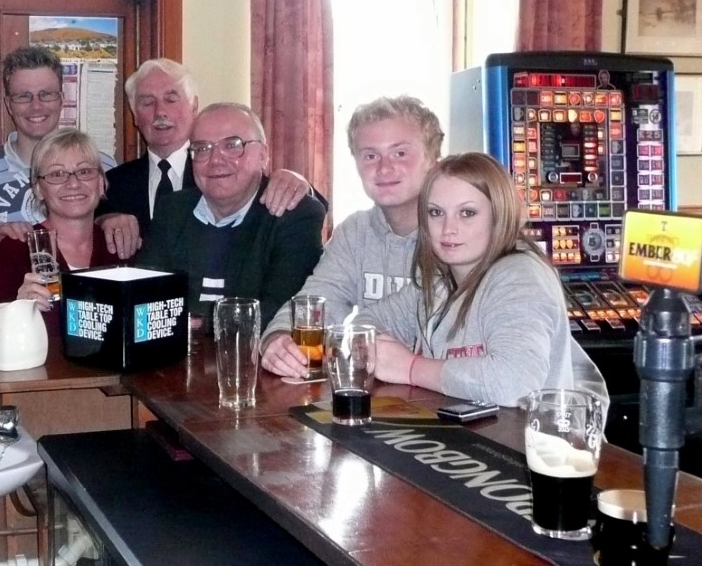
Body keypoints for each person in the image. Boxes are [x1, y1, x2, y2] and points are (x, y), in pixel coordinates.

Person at [357, 152, 606, 408]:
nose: (448, 228)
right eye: (435, 212)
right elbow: (366, 325)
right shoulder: (440, 282)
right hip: (471, 439)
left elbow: (515, 384)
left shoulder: (520, 276)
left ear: (498, 215)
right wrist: (376, 349)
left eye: (467, 213)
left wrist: (411, 368)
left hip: (530, 444)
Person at [261, 95, 442, 378]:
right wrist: (279, 337)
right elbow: (321, 297)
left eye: (400, 153)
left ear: (432, 160)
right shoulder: (355, 232)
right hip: (376, 395)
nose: (383, 168)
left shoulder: (460, 233)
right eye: (370, 155)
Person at [99, 58, 316, 258]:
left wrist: (299, 182)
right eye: (147, 103)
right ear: (134, 114)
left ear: (194, 106)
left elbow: (295, 204)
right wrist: (102, 220)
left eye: (171, 99)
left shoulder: (219, 171)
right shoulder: (113, 183)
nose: (160, 112)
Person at [134, 102, 325, 326]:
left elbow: (281, 311)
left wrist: (198, 323)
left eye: (232, 145)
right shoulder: (173, 210)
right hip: (173, 357)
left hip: (253, 358)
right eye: (202, 148)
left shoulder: (293, 214)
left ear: (263, 155)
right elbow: (145, 297)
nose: (215, 160)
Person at [0, 128, 120, 341]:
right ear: (37, 188)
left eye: (84, 171)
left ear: (101, 183)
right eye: (57, 174)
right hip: (38, 374)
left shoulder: (118, 246)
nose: (73, 183)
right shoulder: (16, 249)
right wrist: (14, 311)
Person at [0, 45, 117, 230]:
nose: (36, 106)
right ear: (9, 105)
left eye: (46, 94)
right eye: (23, 96)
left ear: (61, 99)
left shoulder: (103, 167)